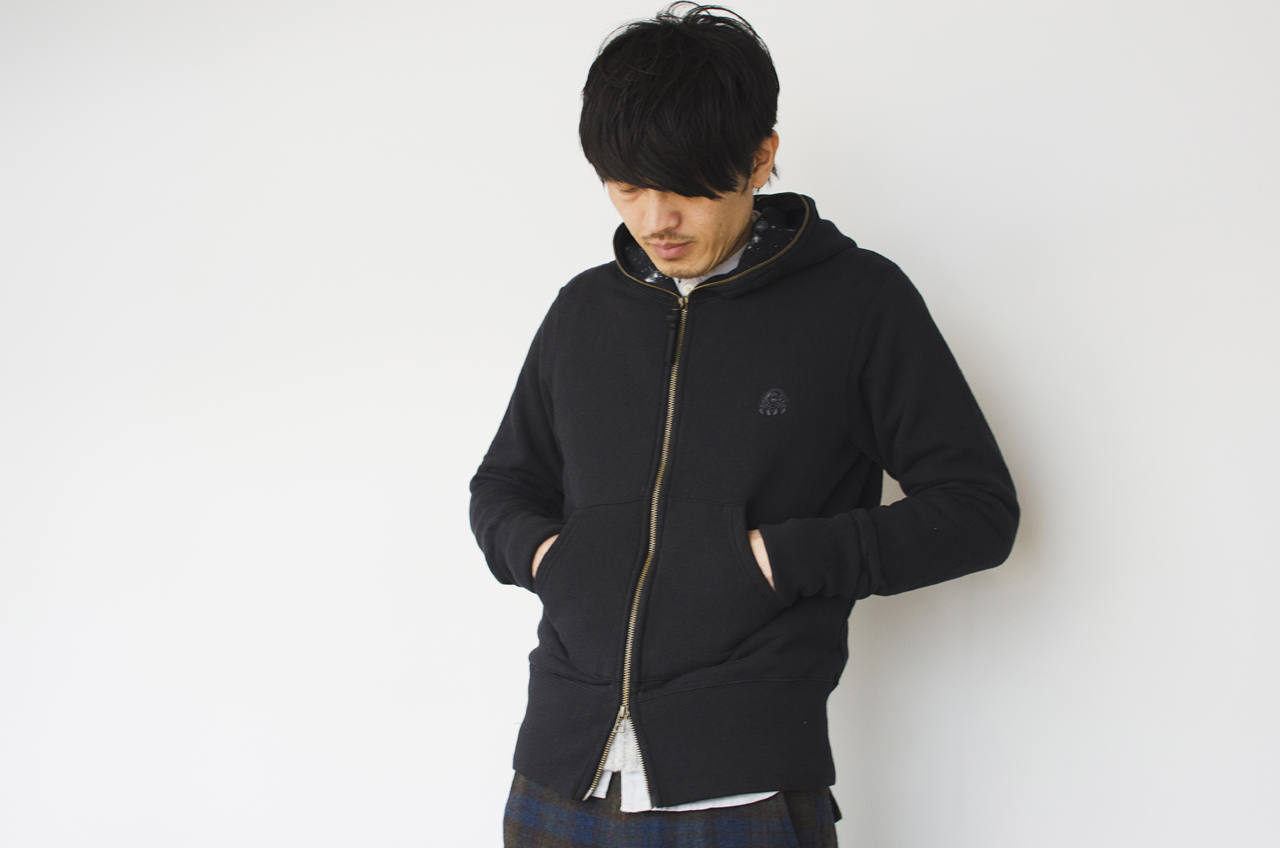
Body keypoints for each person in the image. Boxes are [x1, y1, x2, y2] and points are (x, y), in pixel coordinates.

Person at [468, 4, 1019, 845]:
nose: (655, 219)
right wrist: (549, 557)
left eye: (685, 187)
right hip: (555, 779)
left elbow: (977, 510)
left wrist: (776, 559)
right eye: (627, 187)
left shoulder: (858, 304)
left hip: (745, 792)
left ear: (761, 157)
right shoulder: (583, 311)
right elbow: (505, 484)